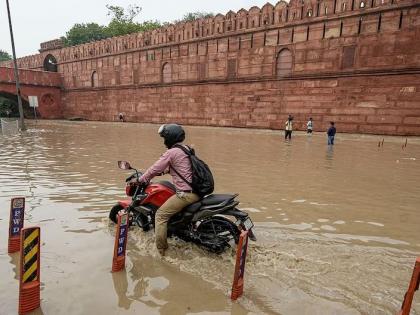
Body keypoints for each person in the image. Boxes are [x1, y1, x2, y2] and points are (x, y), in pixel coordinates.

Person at [133, 124, 199, 256]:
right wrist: (164, 172)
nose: (164, 141)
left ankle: (161, 251)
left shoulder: (171, 152)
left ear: (170, 138)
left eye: (164, 138)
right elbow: (182, 167)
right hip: (197, 191)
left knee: (160, 216)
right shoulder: (186, 149)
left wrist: (141, 180)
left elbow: (154, 169)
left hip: (186, 195)